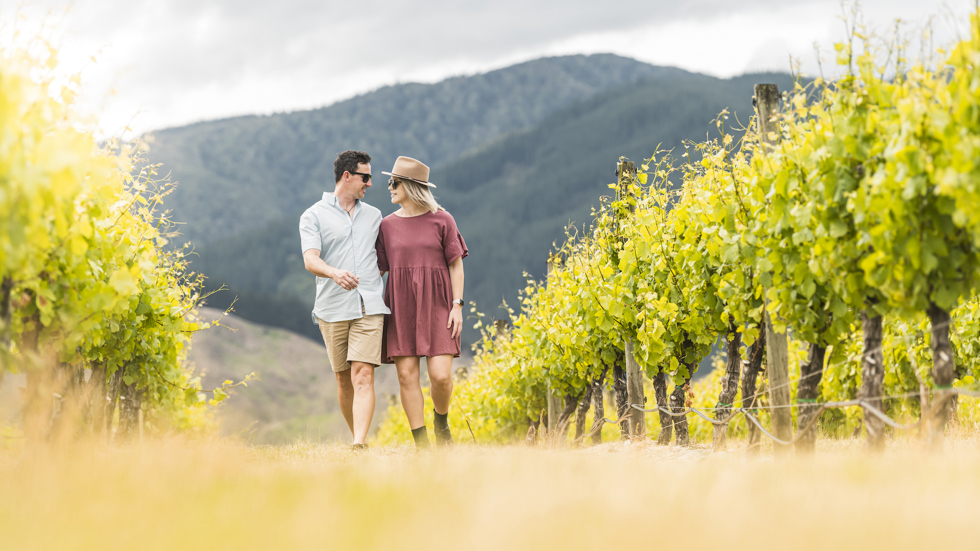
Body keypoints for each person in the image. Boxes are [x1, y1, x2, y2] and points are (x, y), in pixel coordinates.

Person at [299, 150, 389, 450]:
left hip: (370, 306)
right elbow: (311, 259)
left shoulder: (375, 216)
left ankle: (359, 443)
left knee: (363, 374)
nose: (370, 184)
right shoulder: (312, 215)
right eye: (366, 177)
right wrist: (334, 272)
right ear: (347, 176)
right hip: (332, 308)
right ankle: (356, 436)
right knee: (343, 380)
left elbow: (385, 256)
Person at [376, 156, 467, 448]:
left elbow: (455, 264)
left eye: (394, 182)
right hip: (400, 306)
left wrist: (457, 305)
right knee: (406, 375)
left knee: (440, 377)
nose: (389, 187)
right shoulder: (386, 226)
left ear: (411, 186)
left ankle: (441, 423)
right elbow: (378, 269)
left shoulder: (443, 219)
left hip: (439, 304)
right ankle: (422, 445)